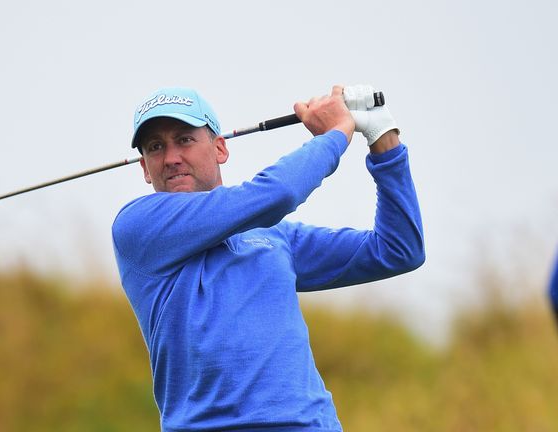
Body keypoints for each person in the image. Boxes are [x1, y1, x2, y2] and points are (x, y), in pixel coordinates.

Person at [112, 85, 425, 431]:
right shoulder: (137, 227)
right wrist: (336, 133)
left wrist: (382, 136)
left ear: (219, 148)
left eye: (184, 139)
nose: (171, 157)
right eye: (156, 147)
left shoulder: (275, 238)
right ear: (144, 167)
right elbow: (278, 192)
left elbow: (398, 250)